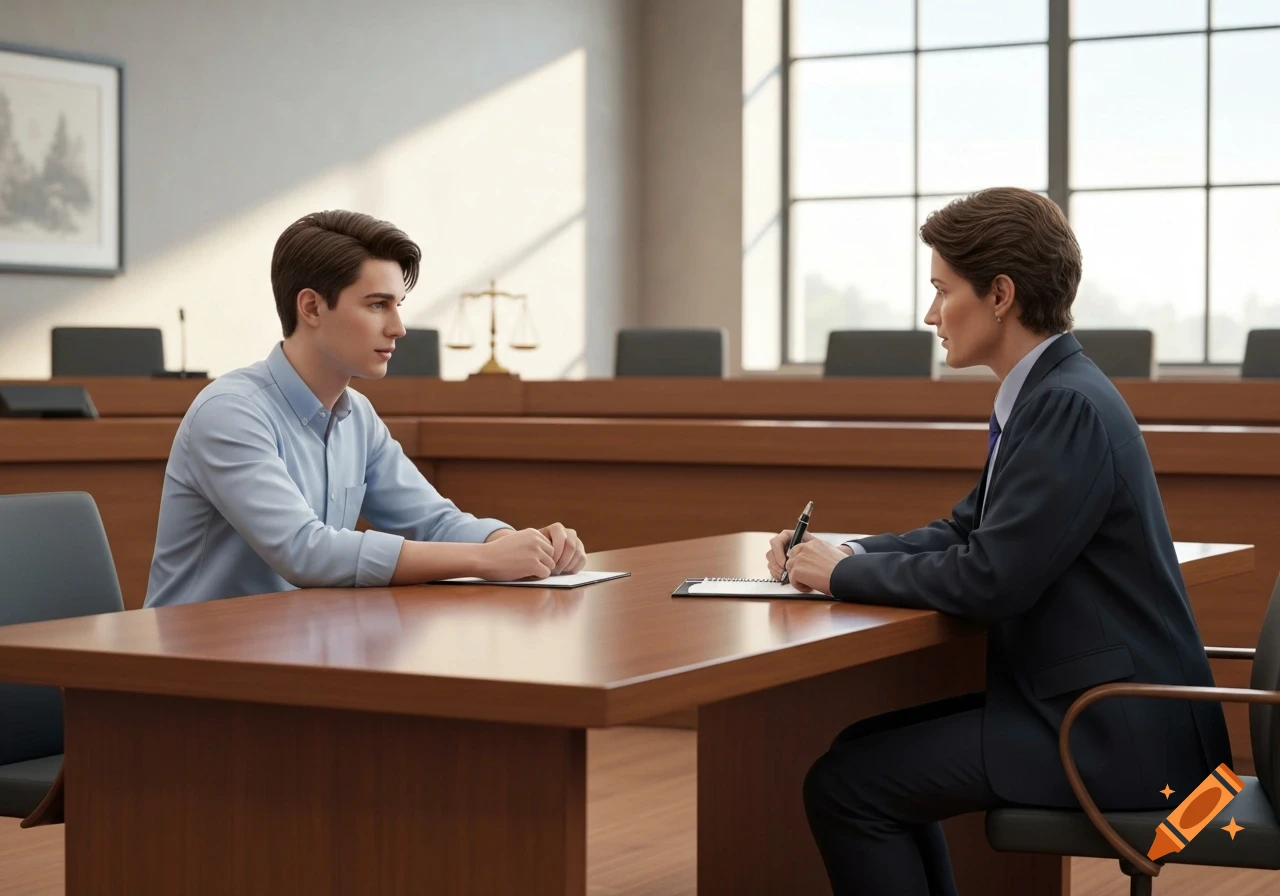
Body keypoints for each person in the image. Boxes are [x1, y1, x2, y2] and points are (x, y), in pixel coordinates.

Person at [766, 188, 1230, 896]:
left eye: (941, 291)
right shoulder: (1051, 391)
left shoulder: (1065, 404)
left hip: (1113, 732)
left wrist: (839, 578)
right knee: (859, 755)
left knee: (848, 788)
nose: (929, 316)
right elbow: (967, 530)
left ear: (1001, 295)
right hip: (1091, 707)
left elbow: (991, 580)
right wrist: (850, 554)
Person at [146, 210, 584, 608]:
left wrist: (516, 543)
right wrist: (484, 558)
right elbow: (305, 552)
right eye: (377, 305)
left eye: (398, 306)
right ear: (312, 307)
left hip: (294, 649)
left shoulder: (358, 417)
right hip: (196, 666)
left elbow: (431, 520)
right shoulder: (231, 413)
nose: (398, 327)